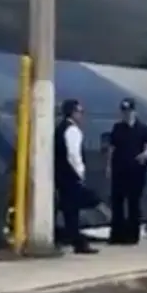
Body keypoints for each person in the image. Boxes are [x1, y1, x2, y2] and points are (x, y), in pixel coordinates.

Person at [106, 98, 147, 245]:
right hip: (119, 169)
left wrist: (145, 155)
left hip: (136, 170)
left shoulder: (142, 128)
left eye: (128, 111)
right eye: (124, 111)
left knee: (133, 203)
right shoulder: (117, 128)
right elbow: (111, 147)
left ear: (134, 111)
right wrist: (108, 166)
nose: (126, 114)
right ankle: (117, 234)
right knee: (117, 202)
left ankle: (132, 235)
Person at [54, 99, 98, 254]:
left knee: (68, 209)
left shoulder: (60, 128)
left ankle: (72, 238)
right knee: (73, 210)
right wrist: (80, 172)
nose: (82, 115)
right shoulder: (73, 130)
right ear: (73, 112)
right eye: (80, 111)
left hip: (61, 175)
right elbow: (73, 154)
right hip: (70, 175)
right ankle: (77, 242)